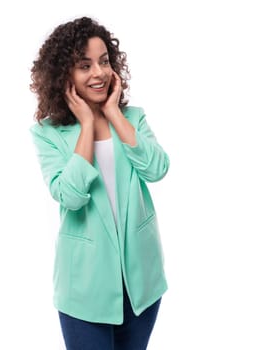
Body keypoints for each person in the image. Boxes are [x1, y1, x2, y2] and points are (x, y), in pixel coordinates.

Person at [29, 16, 170, 350]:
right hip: (84, 289)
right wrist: (88, 125)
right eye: (85, 65)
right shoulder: (48, 133)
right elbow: (70, 196)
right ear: (65, 75)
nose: (99, 73)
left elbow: (157, 168)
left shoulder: (133, 118)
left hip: (140, 284)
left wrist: (114, 115)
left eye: (104, 61)